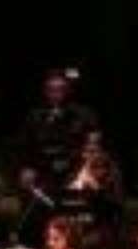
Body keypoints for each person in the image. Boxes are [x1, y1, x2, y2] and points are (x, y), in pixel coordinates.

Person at [12, 70, 99, 198]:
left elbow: (93, 142)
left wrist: (87, 167)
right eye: (51, 89)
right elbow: (25, 147)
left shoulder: (84, 114)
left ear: (68, 90)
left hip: (75, 169)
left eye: (60, 89)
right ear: (45, 91)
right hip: (44, 172)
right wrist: (26, 168)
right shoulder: (34, 116)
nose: (56, 94)